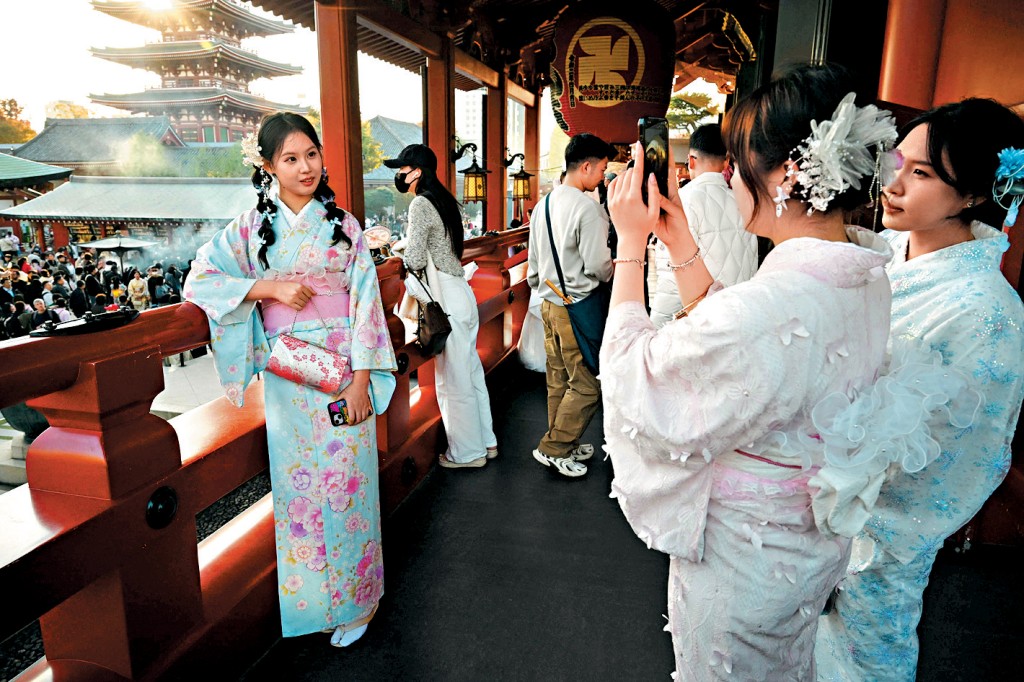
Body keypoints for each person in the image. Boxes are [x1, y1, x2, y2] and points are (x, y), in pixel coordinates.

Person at [599, 64, 966, 680]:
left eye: (737, 162)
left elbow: (637, 379)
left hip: (742, 558)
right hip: (808, 545)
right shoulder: (861, 274)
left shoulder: (770, 305)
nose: (726, 175)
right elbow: (754, 348)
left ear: (784, 175)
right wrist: (680, 238)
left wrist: (631, 245)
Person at [815, 99, 1024, 681]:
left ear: (977, 194)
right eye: (898, 163)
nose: (894, 183)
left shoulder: (987, 311)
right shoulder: (880, 255)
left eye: (922, 174)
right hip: (804, 509)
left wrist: (844, 503)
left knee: (859, 660)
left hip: (875, 541)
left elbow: (962, 461)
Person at [184, 111, 397, 649]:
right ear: (268, 166)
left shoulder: (345, 227)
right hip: (289, 380)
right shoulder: (251, 229)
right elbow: (200, 278)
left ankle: (357, 602)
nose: (305, 167)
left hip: (343, 371)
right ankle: (313, 604)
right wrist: (267, 289)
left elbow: (368, 306)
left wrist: (360, 382)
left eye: (311, 154)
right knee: (299, 495)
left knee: (350, 489)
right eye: (290, 158)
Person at [386, 143, 497, 468]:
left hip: (445, 300)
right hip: (461, 293)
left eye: (402, 169)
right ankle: (486, 442)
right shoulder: (444, 201)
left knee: (454, 381)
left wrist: (399, 251)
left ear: (417, 171)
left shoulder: (421, 203)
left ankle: (467, 454)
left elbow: (417, 258)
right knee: (471, 375)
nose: (400, 175)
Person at [526, 132, 616, 478]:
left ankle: (564, 439)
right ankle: (553, 447)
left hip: (549, 303)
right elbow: (597, 265)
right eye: (603, 168)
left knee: (559, 380)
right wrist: (612, 276)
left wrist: (546, 291)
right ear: (588, 166)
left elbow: (534, 266)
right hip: (577, 305)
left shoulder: (544, 204)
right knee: (589, 383)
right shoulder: (588, 209)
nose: (603, 176)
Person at [649, 124, 757, 327]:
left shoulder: (682, 203)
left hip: (702, 323)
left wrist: (658, 323)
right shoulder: (743, 202)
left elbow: (671, 276)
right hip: (740, 316)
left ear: (691, 160)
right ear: (726, 161)